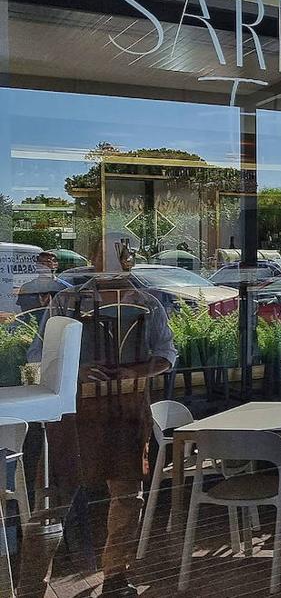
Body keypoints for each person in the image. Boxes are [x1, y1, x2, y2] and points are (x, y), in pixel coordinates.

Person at [27, 241, 174, 597]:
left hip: (126, 411)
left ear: (129, 260)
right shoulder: (67, 302)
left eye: (118, 256)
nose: (110, 263)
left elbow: (166, 354)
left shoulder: (148, 303)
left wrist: (133, 371)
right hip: (74, 410)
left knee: (127, 495)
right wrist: (77, 370)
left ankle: (116, 577)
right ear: (92, 258)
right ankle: (32, 585)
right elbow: (39, 354)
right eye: (103, 255)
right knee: (56, 496)